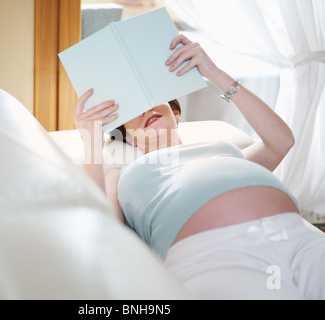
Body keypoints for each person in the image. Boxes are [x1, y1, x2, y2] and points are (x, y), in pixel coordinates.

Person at [74, 34, 325, 300]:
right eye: (133, 114)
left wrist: (214, 72)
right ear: (129, 138)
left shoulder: (223, 150)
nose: (145, 110)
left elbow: (281, 142)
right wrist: (89, 137)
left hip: (294, 236)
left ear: (176, 113)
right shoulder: (123, 174)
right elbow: (100, 226)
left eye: (152, 101)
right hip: (214, 255)